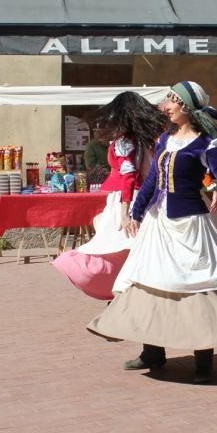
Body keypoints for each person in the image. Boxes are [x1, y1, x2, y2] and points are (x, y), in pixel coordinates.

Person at [87, 81, 217, 383]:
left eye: (172, 100)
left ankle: (203, 360)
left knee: (198, 291)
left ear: (187, 107)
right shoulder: (164, 139)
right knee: (150, 285)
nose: (165, 106)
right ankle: (152, 352)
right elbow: (153, 182)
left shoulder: (205, 145)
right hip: (159, 225)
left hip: (192, 228)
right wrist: (135, 211)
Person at [52, 92, 164, 301]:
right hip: (143, 197)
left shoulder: (125, 142)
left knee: (112, 247)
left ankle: (123, 292)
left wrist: (124, 212)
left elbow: (129, 176)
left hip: (126, 199)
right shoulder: (149, 140)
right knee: (134, 248)